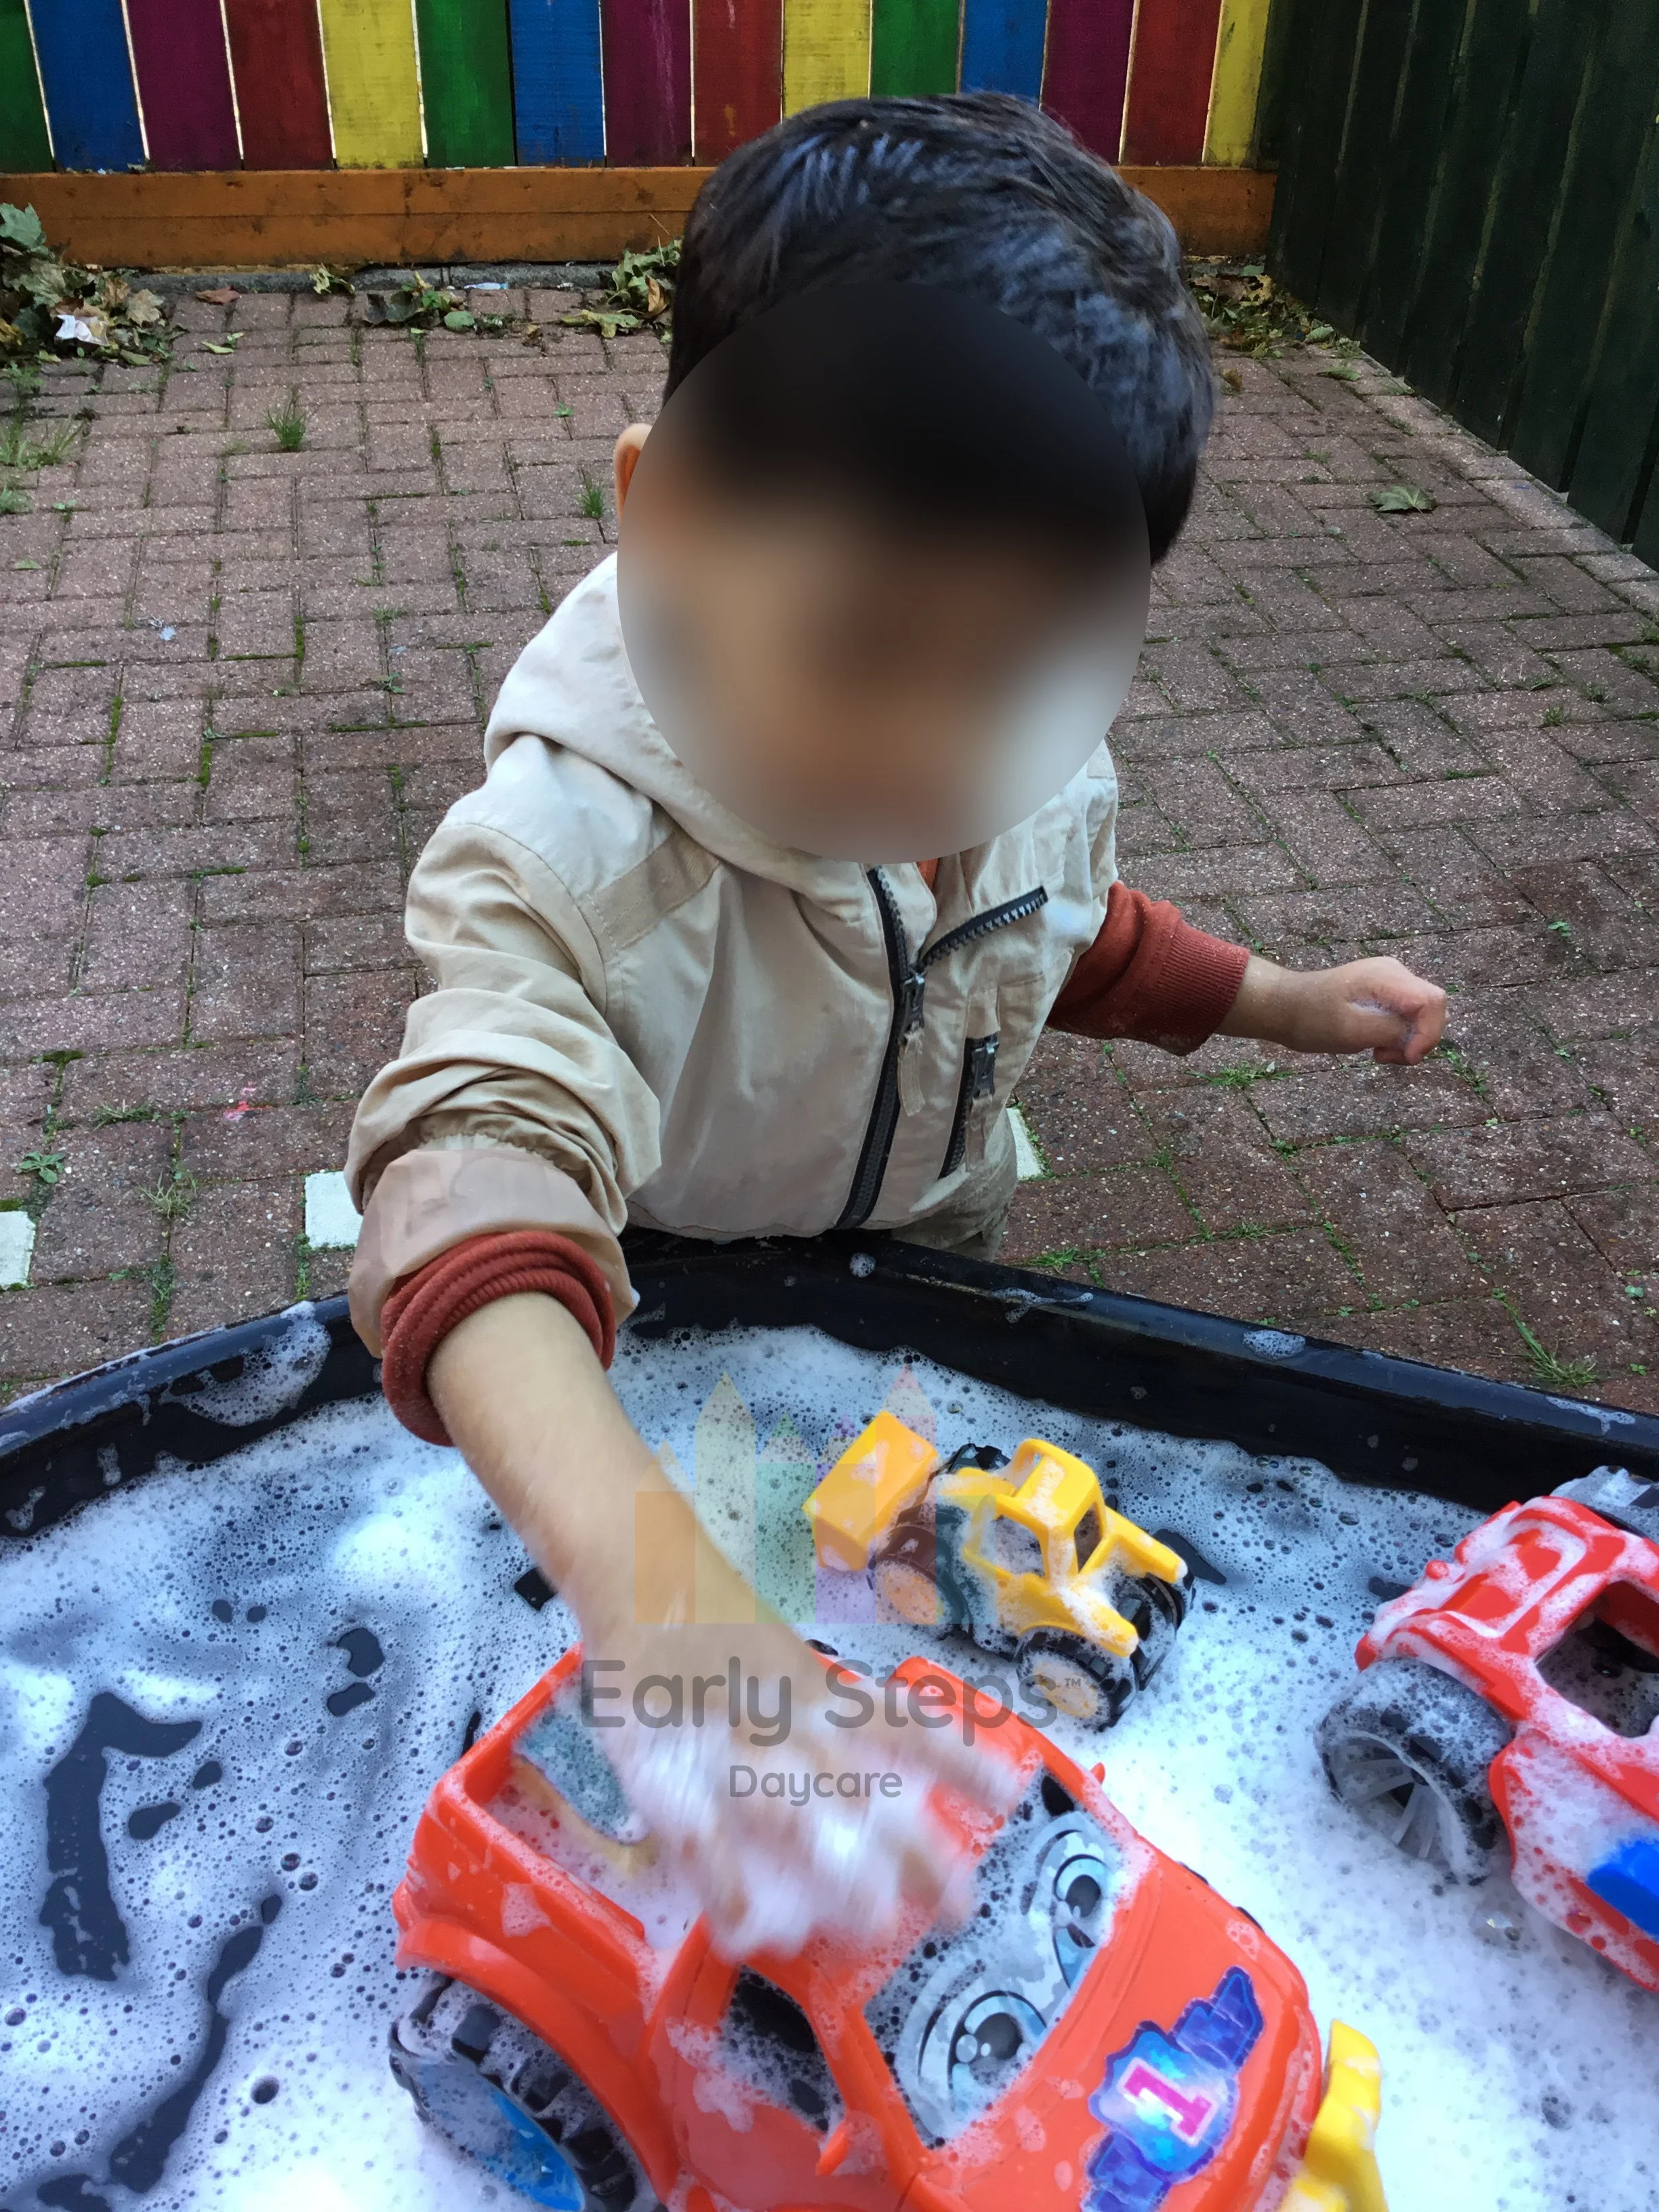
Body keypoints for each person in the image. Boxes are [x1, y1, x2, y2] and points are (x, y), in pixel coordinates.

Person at [344, 94, 1448, 1959]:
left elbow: (1059, 940)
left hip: (917, 1268)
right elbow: (477, 1193)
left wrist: (1277, 1002)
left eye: (1010, 668)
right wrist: (678, 1636)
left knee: (923, 1590)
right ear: (666, 522)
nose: (936, 747)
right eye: (862, 646)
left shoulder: (999, 763)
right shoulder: (566, 856)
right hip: (662, 1331)